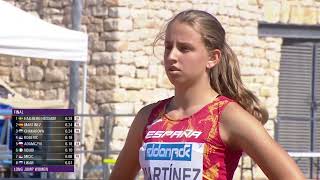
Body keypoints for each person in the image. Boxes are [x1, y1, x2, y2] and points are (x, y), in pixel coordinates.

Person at [110, 10, 305, 180]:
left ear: (212, 58)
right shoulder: (148, 117)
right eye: (168, 47)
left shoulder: (228, 117)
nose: (171, 56)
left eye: (185, 48)